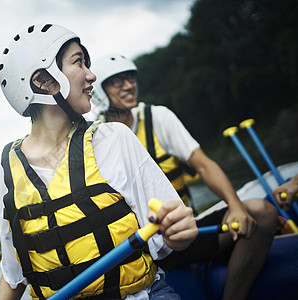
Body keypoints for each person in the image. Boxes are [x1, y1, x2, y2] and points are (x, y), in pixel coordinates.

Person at [0, 24, 198, 300]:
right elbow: (14, 274)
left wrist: (178, 231)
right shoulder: (2, 173)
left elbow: (170, 236)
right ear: (42, 81)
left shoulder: (114, 139)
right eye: (79, 63)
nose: (91, 75)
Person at [88, 53, 278, 300]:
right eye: (117, 81)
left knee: (262, 212)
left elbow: (203, 165)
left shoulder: (159, 118)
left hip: (183, 235)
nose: (129, 85)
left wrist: (235, 206)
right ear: (101, 92)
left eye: (131, 78)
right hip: (140, 250)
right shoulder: (95, 139)